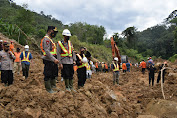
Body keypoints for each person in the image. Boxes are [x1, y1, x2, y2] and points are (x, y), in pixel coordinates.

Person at [40, 26, 59, 93]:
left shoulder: (50, 39)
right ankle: (48, 89)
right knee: (48, 74)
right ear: (50, 31)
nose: (54, 34)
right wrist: (54, 59)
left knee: (53, 74)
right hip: (48, 60)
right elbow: (47, 51)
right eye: (54, 32)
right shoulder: (46, 39)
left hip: (52, 60)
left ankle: (53, 86)